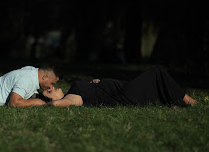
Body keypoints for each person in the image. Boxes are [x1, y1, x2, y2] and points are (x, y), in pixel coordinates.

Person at [38, 65, 198, 108]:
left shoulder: (74, 91)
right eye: (49, 92)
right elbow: (61, 104)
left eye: (49, 88)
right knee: (157, 71)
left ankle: (176, 101)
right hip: (126, 94)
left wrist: (94, 83)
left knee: (155, 83)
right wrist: (46, 105)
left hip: (125, 90)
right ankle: (189, 101)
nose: (52, 88)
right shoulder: (72, 97)